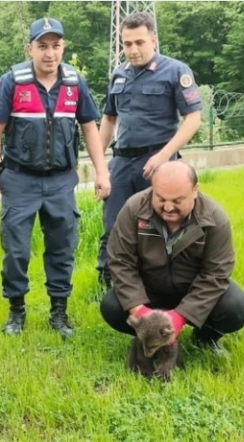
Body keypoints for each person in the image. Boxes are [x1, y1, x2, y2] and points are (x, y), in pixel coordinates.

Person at [0, 17, 111, 339]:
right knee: (16, 251)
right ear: (30, 48)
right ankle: (16, 311)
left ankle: (59, 312)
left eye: (55, 46)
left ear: (63, 47)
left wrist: (101, 171)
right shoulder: (12, 81)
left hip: (60, 181)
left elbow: (90, 128)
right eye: (42, 46)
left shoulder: (75, 83)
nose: (49, 53)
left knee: (62, 248)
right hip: (19, 180)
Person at [96, 11, 203, 288]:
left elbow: (193, 118)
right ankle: (109, 283)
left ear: (153, 39)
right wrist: (98, 164)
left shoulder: (176, 71)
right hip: (122, 163)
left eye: (139, 42)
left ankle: (165, 283)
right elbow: (109, 119)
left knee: (161, 224)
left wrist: (165, 155)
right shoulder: (118, 74)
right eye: (127, 44)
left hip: (159, 161)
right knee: (114, 225)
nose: (133, 50)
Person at [100, 161, 244, 354]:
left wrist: (180, 317)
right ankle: (151, 338)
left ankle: (205, 337)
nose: (168, 207)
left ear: (195, 190)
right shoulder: (133, 209)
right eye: (161, 199)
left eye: (177, 201)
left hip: (192, 289)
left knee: (236, 308)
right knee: (112, 306)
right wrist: (140, 311)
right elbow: (121, 261)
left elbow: (216, 274)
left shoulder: (215, 218)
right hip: (149, 290)